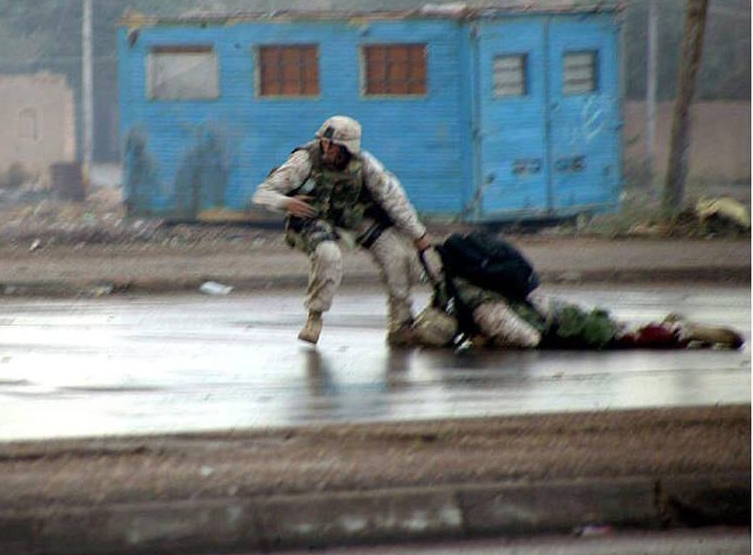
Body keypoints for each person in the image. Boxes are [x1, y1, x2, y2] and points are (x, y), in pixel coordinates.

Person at [253, 115, 434, 345]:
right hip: (313, 218)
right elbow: (262, 193)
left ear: (348, 150)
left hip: (352, 219)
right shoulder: (304, 161)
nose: (328, 149)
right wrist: (286, 203)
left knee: (397, 254)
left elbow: (393, 199)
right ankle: (315, 316)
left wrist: (418, 235)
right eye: (325, 143)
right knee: (328, 256)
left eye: (336, 146)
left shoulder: (365, 165)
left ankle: (401, 323)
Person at [411, 251, 745, 351]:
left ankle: (678, 331)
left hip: (559, 324)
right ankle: (672, 330)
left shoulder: (476, 301)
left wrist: (489, 345)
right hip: (552, 310)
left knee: (623, 339)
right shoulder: (461, 286)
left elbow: (527, 338)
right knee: (613, 329)